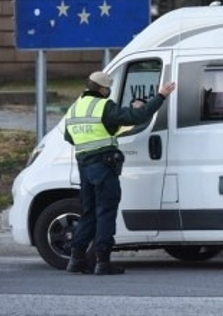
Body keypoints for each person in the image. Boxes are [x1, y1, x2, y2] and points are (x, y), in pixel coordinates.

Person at [64, 71, 176, 275]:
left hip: (84, 166)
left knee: (88, 213)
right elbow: (138, 116)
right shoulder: (104, 106)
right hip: (103, 165)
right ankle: (103, 262)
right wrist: (161, 96)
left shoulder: (74, 108)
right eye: (108, 89)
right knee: (106, 211)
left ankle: (76, 259)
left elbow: (70, 137)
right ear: (103, 89)